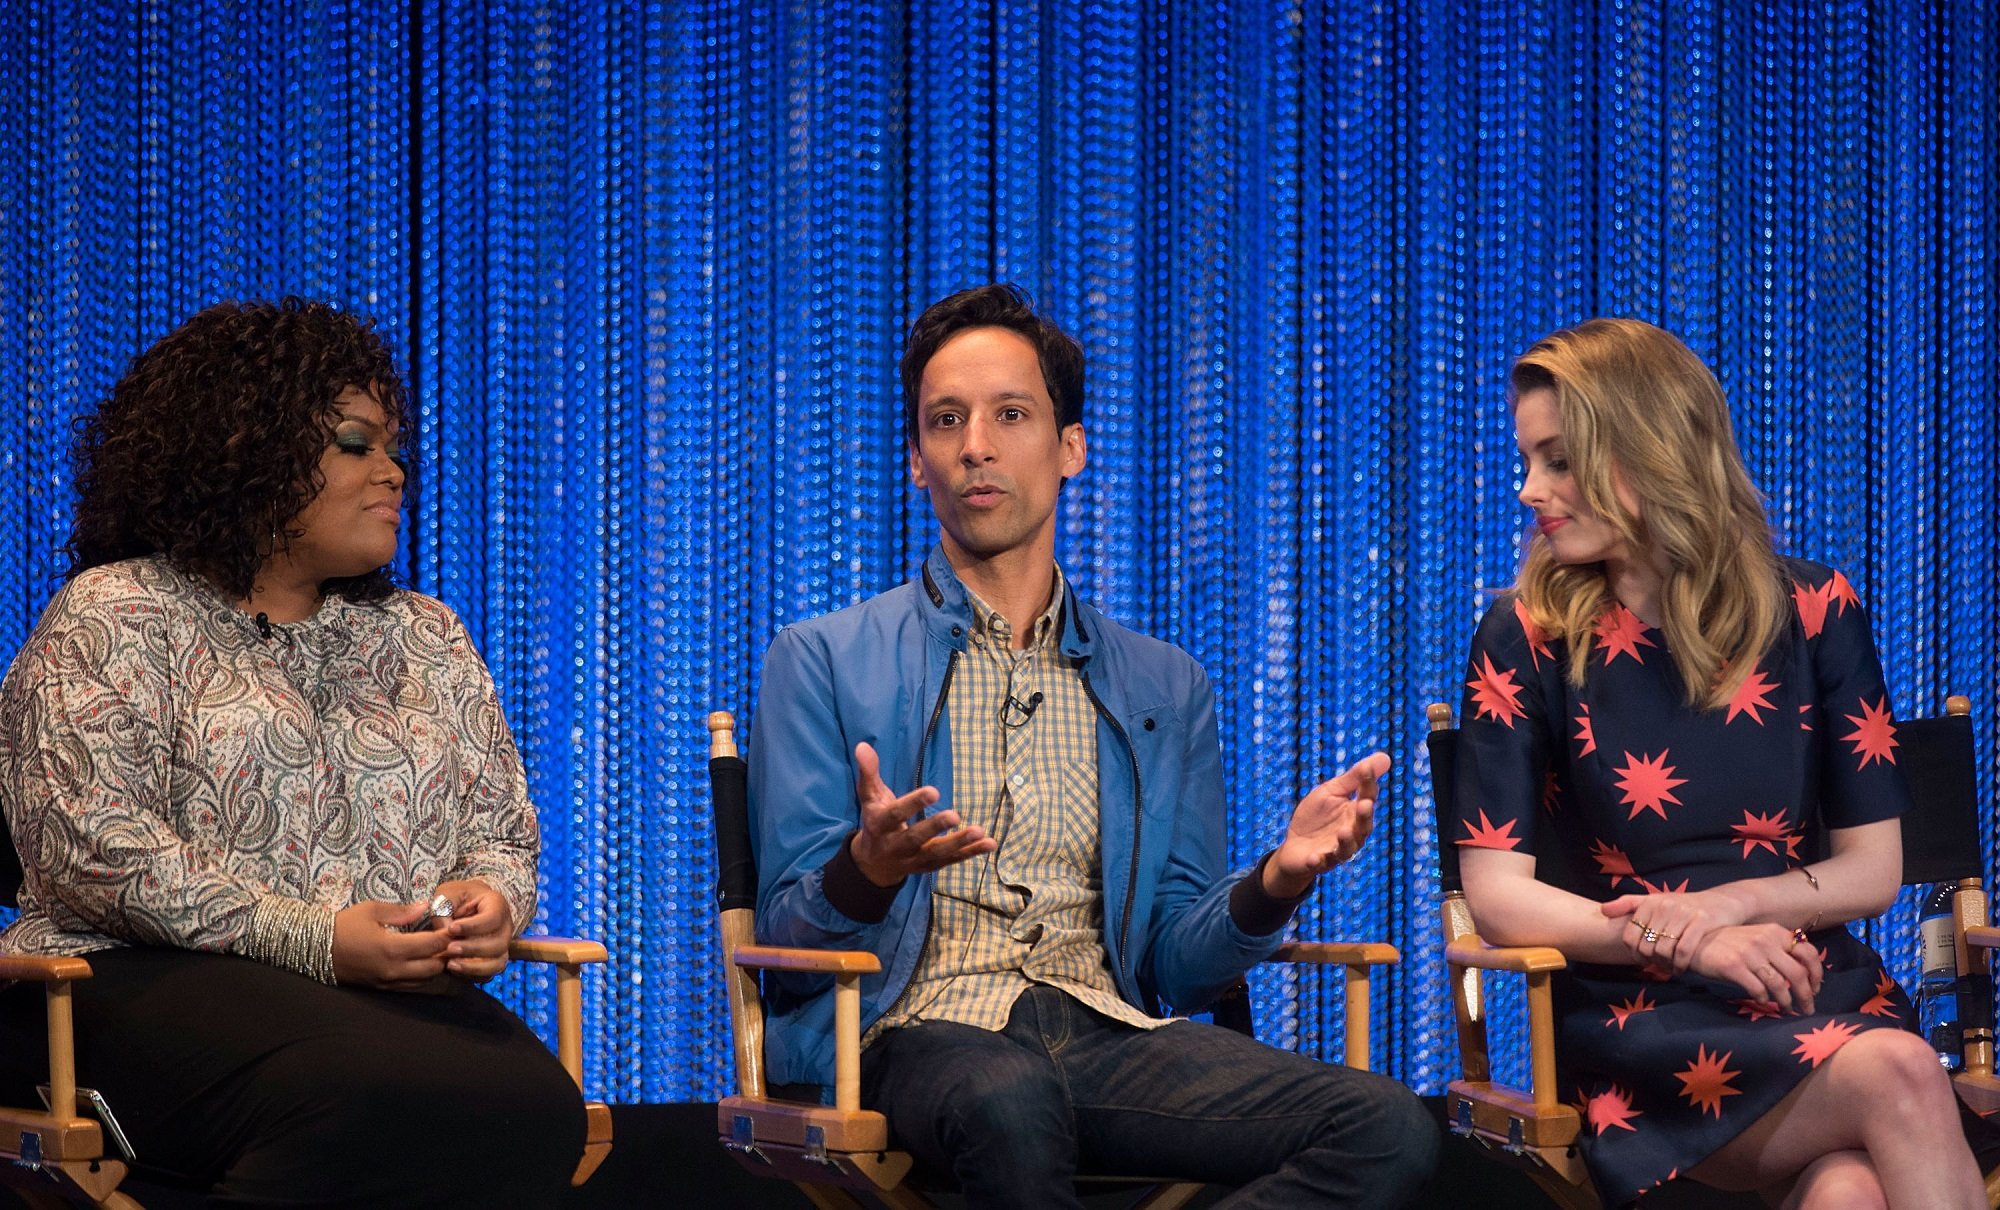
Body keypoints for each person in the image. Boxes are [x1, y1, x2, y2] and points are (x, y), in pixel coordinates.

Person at [748, 283, 1438, 1208]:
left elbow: (1173, 964)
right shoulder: (821, 659)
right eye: (945, 421)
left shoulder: (1163, 685)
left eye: (1011, 414)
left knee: (1387, 1127)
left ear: (1070, 446)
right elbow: (786, 929)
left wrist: (1276, 881)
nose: (975, 447)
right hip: (911, 1032)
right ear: (916, 459)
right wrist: (866, 867)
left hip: (1105, 1031)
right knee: (1008, 1095)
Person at [0, 299, 585, 1206]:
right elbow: (91, 846)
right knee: (353, 1099)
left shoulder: (423, 636)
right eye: (357, 442)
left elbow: (500, 827)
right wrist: (316, 939)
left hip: (375, 1009)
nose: (394, 471)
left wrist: (490, 901)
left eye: (395, 446)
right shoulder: (116, 612)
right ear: (245, 451)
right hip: (121, 986)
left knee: (536, 1108)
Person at [1452, 317, 1984, 1206]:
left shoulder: (1816, 608)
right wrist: (1683, 939)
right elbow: (1498, 897)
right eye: (1529, 460)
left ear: (1648, 449)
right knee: (1903, 1074)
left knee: (1849, 1191)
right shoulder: (1527, 635)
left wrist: (1726, 911)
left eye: (1558, 460)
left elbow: (1873, 869)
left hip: (1810, 990)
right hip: (1643, 1030)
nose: (1529, 488)